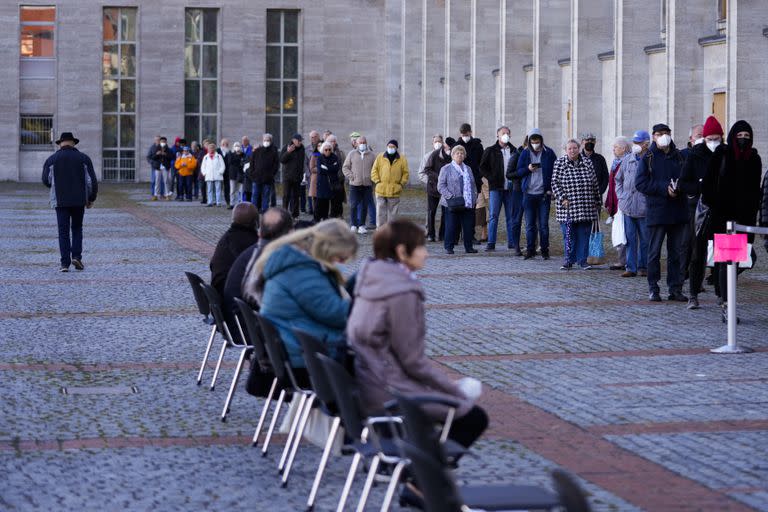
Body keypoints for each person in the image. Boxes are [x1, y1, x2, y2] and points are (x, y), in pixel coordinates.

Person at [346, 219, 488, 448]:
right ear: (402, 251)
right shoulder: (401, 293)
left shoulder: (371, 279)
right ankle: (421, 476)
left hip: (371, 381)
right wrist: (457, 390)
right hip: (389, 391)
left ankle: (417, 466)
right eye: (421, 247)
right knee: (474, 418)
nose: (426, 254)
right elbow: (413, 362)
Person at [255, 219, 358, 372]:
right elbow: (336, 314)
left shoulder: (294, 261)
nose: (341, 263)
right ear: (326, 248)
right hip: (303, 355)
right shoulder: (302, 270)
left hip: (291, 345)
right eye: (341, 257)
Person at [701, 120, 762, 311]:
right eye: (740, 136)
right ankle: (726, 300)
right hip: (723, 218)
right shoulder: (722, 153)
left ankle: (723, 291)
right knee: (725, 260)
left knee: (741, 260)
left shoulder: (753, 158)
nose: (743, 140)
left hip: (744, 219)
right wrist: (715, 203)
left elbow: (754, 189)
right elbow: (709, 183)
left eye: (747, 136)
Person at [635, 123, 688, 302]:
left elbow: (687, 179)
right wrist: (664, 188)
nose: (663, 136)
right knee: (654, 252)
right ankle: (653, 287)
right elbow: (641, 183)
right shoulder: (648, 158)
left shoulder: (679, 156)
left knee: (676, 252)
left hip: (678, 211)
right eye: (659, 134)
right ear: (654, 136)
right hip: (657, 211)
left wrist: (678, 188)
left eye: (666, 133)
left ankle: (675, 288)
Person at [680, 116, 723, 309]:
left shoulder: (726, 153)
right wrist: (700, 187)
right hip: (699, 210)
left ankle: (723, 294)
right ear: (704, 139)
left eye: (716, 138)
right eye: (710, 138)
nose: (713, 142)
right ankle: (693, 293)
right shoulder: (695, 155)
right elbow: (684, 183)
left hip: (723, 210)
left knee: (725, 254)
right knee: (698, 253)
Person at [42, 132, 98, 272]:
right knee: (77, 228)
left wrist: (55, 186)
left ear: (61, 143)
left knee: (63, 232)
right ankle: (77, 257)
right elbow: (91, 181)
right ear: (73, 143)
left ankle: (64, 264)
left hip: (60, 201)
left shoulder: (51, 159)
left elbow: (46, 180)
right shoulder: (84, 158)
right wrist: (91, 198)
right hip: (79, 200)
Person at [551, 139, 601, 270]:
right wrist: (562, 198)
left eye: (575, 148)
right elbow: (555, 184)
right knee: (569, 235)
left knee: (584, 235)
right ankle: (568, 260)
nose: (572, 151)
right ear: (566, 150)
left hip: (586, 206)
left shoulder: (587, 162)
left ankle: (583, 260)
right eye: (570, 149)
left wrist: (597, 201)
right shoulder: (559, 163)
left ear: (579, 149)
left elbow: (595, 183)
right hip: (568, 207)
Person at [234, 207, 294, 312]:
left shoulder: (255, 251)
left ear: (260, 232)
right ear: (290, 233)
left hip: (236, 314)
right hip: (244, 321)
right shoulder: (274, 258)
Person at [516, 128, 557, 259]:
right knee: (529, 224)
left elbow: (555, 172)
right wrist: (527, 169)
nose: (535, 143)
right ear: (529, 142)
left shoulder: (549, 153)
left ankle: (545, 249)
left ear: (541, 140)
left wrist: (552, 189)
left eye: (537, 141)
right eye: (533, 141)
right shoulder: (525, 153)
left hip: (544, 194)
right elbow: (518, 171)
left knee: (543, 224)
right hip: (528, 194)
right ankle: (530, 250)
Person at [615, 131, 650, 278]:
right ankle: (631, 267)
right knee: (629, 238)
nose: (637, 145)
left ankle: (643, 267)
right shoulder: (627, 160)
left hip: (644, 206)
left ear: (646, 144)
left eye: (640, 143)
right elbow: (618, 180)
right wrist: (622, 196)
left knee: (645, 239)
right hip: (628, 205)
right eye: (635, 142)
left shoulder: (650, 160)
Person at [480, 126, 520, 252]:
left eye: (507, 133)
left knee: (511, 216)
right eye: (503, 133)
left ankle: (512, 242)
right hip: (496, 188)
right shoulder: (490, 150)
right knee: (493, 216)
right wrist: (491, 178)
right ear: (497, 135)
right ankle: (491, 242)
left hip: (510, 188)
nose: (505, 135)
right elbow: (482, 167)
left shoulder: (515, 151)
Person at [209, 202, 260, 298]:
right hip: (232, 301)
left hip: (221, 295)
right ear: (256, 222)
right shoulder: (248, 242)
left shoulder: (228, 237)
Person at [438, 145, 478, 254]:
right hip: (452, 203)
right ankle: (449, 247)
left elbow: (473, 184)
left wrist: (474, 198)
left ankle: (469, 247)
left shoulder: (468, 168)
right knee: (451, 226)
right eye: (457, 153)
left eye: (462, 153)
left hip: (467, 202)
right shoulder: (446, 168)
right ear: (453, 155)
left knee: (468, 226)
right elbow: (441, 186)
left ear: (464, 156)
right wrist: (450, 197)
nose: (460, 155)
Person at [420, 137, 453, 242]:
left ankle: (442, 234)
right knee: (431, 211)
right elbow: (427, 169)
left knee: (445, 212)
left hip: (446, 189)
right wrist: (439, 177)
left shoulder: (452, 156)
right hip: (433, 187)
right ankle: (431, 234)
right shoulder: (435, 155)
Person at [605, 136, 631, 269]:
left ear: (624, 148)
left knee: (623, 233)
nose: (613, 149)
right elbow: (612, 184)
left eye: (616, 147)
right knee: (618, 232)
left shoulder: (627, 162)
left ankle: (625, 261)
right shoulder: (616, 162)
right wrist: (608, 202)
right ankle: (622, 259)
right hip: (615, 202)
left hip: (623, 202)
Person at [342, 134, 376, 233]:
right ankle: (353, 224)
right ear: (356, 144)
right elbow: (345, 167)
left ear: (366, 143)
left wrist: (372, 180)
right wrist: (351, 177)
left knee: (365, 205)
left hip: (367, 185)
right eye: (360, 142)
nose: (362, 144)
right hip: (354, 184)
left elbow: (375, 169)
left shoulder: (372, 155)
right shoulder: (351, 154)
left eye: (364, 142)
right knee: (353, 205)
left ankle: (361, 225)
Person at [371, 140, 409, 227]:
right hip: (381, 190)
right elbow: (374, 170)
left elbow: (405, 173)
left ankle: (391, 231)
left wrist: (401, 184)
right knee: (380, 213)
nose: (391, 148)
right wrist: (377, 181)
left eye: (393, 147)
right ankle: (381, 231)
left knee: (393, 214)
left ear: (396, 148)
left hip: (394, 190)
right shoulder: (380, 157)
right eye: (389, 146)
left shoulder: (402, 159)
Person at [505, 136, 529, 255]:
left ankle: (532, 246)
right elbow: (509, 174)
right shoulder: (517, 154)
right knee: (516, 219)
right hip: (518, 190)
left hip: (532, 191)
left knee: (532, 221)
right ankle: (516, 246)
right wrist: (525, 171)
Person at [249, 133, 279, 213]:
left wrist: (271, 174)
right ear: (262, 141)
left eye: (268, 140)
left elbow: (276, 165)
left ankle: (264, 210)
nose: (266, 142)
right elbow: (252, 163)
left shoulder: (273, 152)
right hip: (257, 177)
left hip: (267, 178)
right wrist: (252, 174)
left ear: (271, 141)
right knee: (255, 195)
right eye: (265, 140)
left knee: (266, 196)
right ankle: (253, 210)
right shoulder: (257, 151)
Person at [279, 133, 306, 219]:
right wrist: (288, 152)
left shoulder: (302, 148)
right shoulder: (287, 147)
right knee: (286, 196)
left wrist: (302, 175)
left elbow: (301, 163)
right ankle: (284, 214)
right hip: (287, 177)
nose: (300, 142)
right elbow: (282, 160)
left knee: (296, 197)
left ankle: (295, 215)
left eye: (301, 140)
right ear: (294, 140)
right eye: (299, 140)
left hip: (297, 177)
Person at [314, 142, 342, 222]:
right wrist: (330, 168)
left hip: (332, 184)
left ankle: (327, 219)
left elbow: (336, 168)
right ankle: (316, 219)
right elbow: (320, 170)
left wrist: (326, 168)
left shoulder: (334, 157)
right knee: (320, 202)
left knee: (331, 202)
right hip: (322, 183)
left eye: (329, 149)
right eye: (326, 150)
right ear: (323, 150)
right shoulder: (320, 158)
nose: (328, 151)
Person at [581, 132, 610, 197]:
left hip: (596, 196)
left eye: (592, 140)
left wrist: (600, 191)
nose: (590, 142)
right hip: (581, 196)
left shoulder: (600, 159)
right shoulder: (577, 158)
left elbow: (605, 177)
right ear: (582, 142)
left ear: (595, 142)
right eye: (587, 140)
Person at [326, 134, 347, 218]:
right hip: (329, 179)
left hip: (339, 178)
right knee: (331, 198)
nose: (333, 142)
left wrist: (343, 176)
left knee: (339, 198)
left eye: (334, 141)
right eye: (331, 141)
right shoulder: (325, 151)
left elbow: (344, 164)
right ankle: (331, 214)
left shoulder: (340, 152)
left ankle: (339, 214)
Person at [201, 142, 226, 207]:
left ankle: (218, 202)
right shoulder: (205, 157)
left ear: (214, 149)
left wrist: (220, 172)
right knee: (209, 190)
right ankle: (210, 202)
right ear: (208, 149)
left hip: (217, 175)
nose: (211, 149)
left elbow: (222, 165)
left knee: (218, 190)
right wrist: (204, 173)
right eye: (210, 148)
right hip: (209, 175)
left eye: (212, 148)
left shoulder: (219, 156)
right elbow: (203, 166)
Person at [151, 136, 174, 201]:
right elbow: (153, 157)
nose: (162, 143)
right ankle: (156, 195)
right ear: (160, 142)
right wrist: (157, 154)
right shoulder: (156, 148)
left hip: (165, 167)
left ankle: (167, 195)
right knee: (157, 181)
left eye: (164, 142)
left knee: (166, 181)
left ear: (166, 142)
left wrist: (165, 154)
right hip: (158, 167)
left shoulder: (169, 149)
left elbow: (171, 157)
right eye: (161, 142)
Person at [304, 130, 321, 215]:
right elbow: (305, 163)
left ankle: (319, 211)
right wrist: (308, 174)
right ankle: (311, 210)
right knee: (311, 194)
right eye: (311, 137)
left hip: (321, 175)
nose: (313, 138)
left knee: (319, 195)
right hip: (311, 175)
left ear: (318, 137)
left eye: (315, 137)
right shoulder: (307, 149)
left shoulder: (323, 146)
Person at [226, 142, 246, 209]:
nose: (237, 147)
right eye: (236, 146)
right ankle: (232, 203)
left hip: (240, 174)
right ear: (233, 147)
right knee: (232, 190)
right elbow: (231, 162)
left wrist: (239, 155)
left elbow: (243, 162)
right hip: (232, 174)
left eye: (238, 146)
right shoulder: (230, 154)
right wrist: (237, 155)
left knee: (240, 190)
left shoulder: (243, 154)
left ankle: (239, 203)